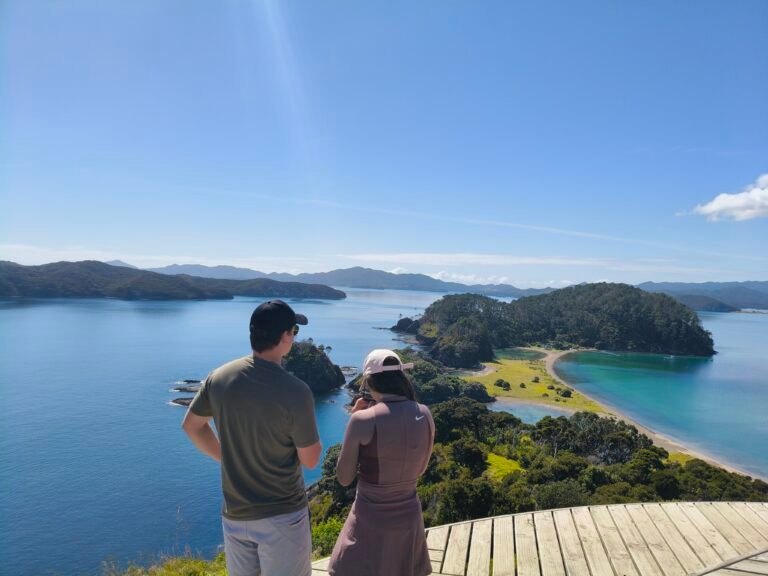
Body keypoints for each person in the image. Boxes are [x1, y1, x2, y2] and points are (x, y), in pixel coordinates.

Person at [182, 299, 322, 576]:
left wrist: (228, 457)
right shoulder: (295, 391)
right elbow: (311, 459)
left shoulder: (219, 377)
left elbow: (192, 426)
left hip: (235, 514)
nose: (295, 335)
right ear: (285, 336)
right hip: (282, 514)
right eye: (294, 330)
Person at [329, 349, 435, 576]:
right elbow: (422, 468)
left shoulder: (362, 419)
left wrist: (353, 421)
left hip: (369, 520)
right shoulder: (425, 414)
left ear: (369, 381)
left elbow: (344, 478)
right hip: (409, 519)